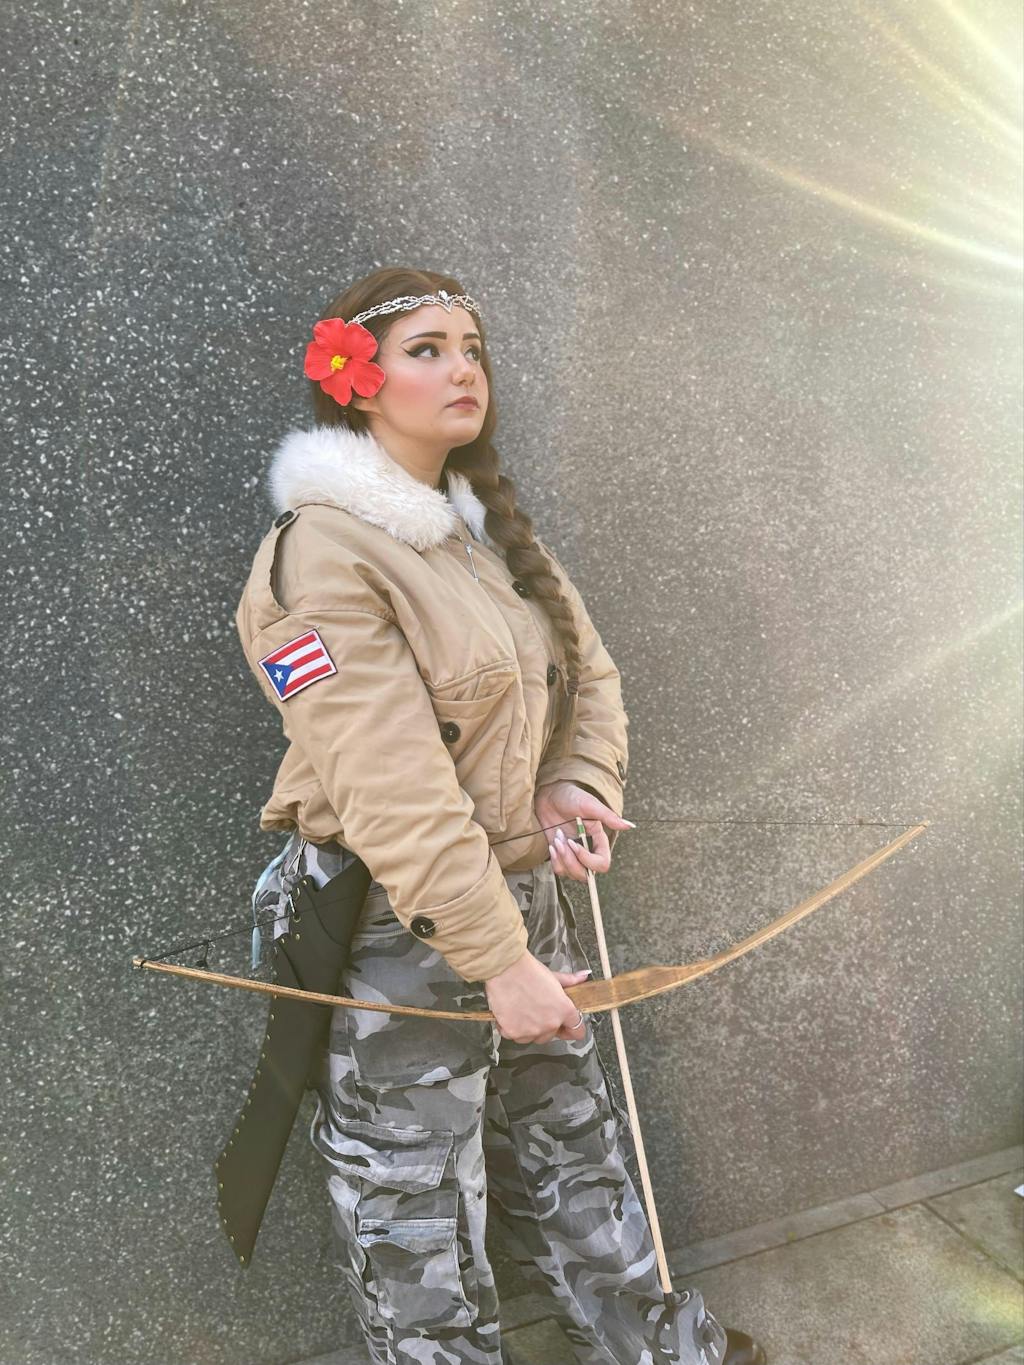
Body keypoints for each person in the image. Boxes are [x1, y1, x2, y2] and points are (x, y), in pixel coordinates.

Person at [235, 267, 766, 1365]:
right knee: (414, 1200)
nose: (461, 369)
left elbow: (589, 670)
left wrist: (575, 778)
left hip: (523, 895)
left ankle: (650, 1347)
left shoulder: (478, 534)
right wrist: (499, 960)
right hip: (395, 926)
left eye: (471, 348)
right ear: (357, 380)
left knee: (574, 1142)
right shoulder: (320, 553)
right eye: (426, 349)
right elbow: (389, 786)